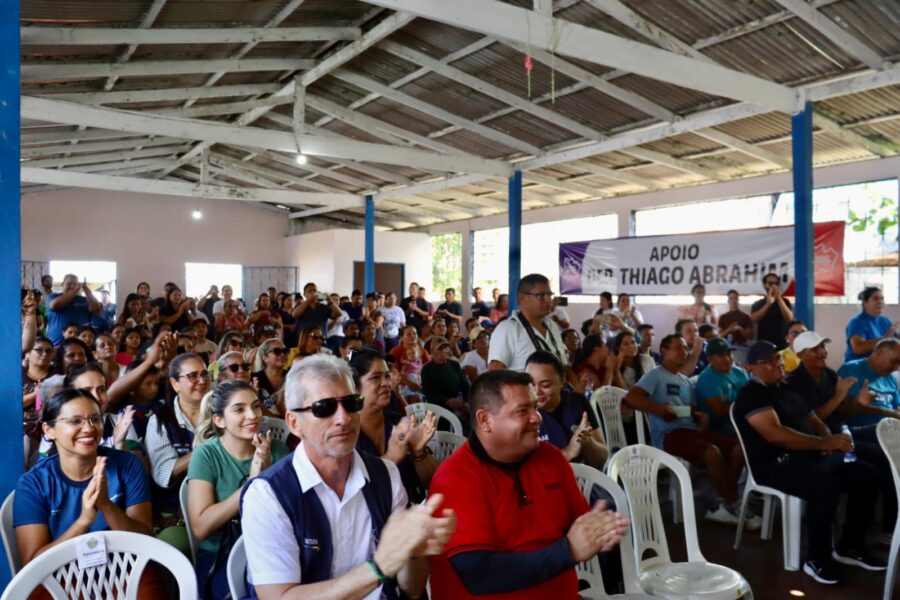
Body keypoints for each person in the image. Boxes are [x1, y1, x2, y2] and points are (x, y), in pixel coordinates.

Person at [239, 354, 456, 599]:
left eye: (352, 403)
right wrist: (378, 567)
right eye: (324, 408)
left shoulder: (386, 475)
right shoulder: (268, 495)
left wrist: (413, 549)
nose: (343, 419)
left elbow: (412, 588)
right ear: (294, 422)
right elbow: (279, 597)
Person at [428, 369, 628, 599]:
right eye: (522, 411)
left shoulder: (550, 458)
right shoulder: (456, 477)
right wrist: (568, 551)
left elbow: (579, 524)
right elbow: (479, 574)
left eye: (535, 407)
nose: (537, 418)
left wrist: (599, 530)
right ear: (485, 420)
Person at [733, 340, 885, 584]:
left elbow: (814, 420)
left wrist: (829, 441)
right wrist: (822, 444)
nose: (777, 363)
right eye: (769, 361)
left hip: (809, 455)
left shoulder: (787, 388)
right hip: (775, 465)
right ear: (752, 368)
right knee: (825, 486)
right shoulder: (751, 395)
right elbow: (776, 435)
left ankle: (849, 546)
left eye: (778, 358)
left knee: (867, 475)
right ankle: (817, 558)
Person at [624, 334, 755, 527]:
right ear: (664, 351)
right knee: (712, 452)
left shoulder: (684, 381)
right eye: (677, 347)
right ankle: (732, 502)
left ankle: (723, 500)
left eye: (685, 348)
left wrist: (700, 416)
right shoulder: (655, 374)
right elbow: (631, 398)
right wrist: (660, 410)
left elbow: (687, 410)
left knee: (737, 448)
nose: (683, 352)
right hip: (668, 435)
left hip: (690, 432)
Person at [14, 389, 152, 567]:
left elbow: (146, 541)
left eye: (95, 419)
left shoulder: (127, 465)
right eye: (75, 421)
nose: (88, 428)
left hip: (127, 569)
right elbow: (32, 565)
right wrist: (83, 521)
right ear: (49, 430)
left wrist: (106, 505)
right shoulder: (33, 484)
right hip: (63, 576)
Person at [786, 331, 897, 541]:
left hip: (842, 431)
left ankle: (889, 523)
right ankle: (870, 532)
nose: (822, 352)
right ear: (800, 355)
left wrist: (859, 403)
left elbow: (844, 411)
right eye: (815, 349)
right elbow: (812, 420)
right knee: (875, 462)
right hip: (821, 443)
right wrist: (839, 395)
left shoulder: (828, 374)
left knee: (888, 442)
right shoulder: (793, 383)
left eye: (823, 347)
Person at [187, 380, 289, 599]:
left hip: (271, 547)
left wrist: (266, 470)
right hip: (221, 552)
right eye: (239, 410)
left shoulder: (277, 450)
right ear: (219, 420)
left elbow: (291, 512)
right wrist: (252, 483)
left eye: (255, 406)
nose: (252, 415)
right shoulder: (206, 455)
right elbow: (200, 527)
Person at [350, 349, 438, 503]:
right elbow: (353, 497)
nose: (386, 383)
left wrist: (419, 451)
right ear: (355, 388)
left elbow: (432, 482)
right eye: (376, 377)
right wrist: (390, 458)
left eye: (387, 376)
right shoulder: (346, 434)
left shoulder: (399, 424)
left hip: (410, 512)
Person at [525, 351, 608, 469]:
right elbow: (531, 469)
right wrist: (567, 452)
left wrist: (587, 441)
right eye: (531, 385)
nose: (537, 392)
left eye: (546, 385)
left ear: (562, 380)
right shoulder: (523, 413)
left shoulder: (577, 402)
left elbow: (602, 460)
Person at [488, 274, 567, 372]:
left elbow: (564, 365)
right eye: (541, 296)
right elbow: (495, 373)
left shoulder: (552, 325)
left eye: (549, 295)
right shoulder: (507, 329)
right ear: (522, 298)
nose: (548, 300)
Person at [837, 338, 900, 430]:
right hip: (862, 430)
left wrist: (893, 413)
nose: (896, 368)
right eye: (893, 362)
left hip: (891, 430)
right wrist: (885, 412)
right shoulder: (851, 370)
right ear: (879, 353)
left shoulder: (890, 377)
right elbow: (840, 410)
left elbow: (897, 407)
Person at [693, 337, 749, 436]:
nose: (727, 359)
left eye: (729, 353)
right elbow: (719, 410)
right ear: (709, 359)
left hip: (741, 417)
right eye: (721, 355)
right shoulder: (707, 377)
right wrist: (745, 403)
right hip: (718, 424)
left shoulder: (739, 372)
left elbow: (751, 396)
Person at [46, 274, 102, 345]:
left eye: (75, 284)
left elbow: (96, 309)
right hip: (56, 344)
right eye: (69, 284)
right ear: (62, 284)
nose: (72, 286)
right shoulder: (53, 296)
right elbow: (54, 305)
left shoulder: (84, 300)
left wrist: (86, 290)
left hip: (80, 344)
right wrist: (74, 291)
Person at [845, 286, 897, 361]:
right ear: (865, 302)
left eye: (882, 298)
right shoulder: (857, 322)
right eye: (876, 298)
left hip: (881, 365)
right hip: (859, 366)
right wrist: (885, 339)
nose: (880, 302)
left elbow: (894, 340)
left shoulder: (885, 320)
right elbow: (858, 348)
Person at [421, 337, 470, 415]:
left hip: (459, 402)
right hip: (440, 407)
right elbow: (428, 395)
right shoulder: (427, 369)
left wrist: (465, 401)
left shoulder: (454, 364)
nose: (444, 351)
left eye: (446, 348)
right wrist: (446, 401)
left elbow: (465, 385)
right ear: (432, 351)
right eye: (440, 348)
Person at [751, 273, 794, 348]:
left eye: (776, 283)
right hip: (764, 344)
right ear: (764, 285)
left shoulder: (785, 301)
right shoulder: (758, 303)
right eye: (770, 283)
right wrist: (768, 304)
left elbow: (789, 319)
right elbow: (753, 320)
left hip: (782, 344)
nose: (773, 286)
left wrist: (779, 298)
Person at [390, 325, 429, 402]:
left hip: (419, 383)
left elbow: (429, 371)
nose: (413, 336)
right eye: (409, 334)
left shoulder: (423, 352)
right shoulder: (394, 352)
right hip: (401, 385)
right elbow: (393, 373)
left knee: (418, 399)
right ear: (401, 338)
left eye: (415, 333)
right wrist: (410, 384)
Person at [252, 338, 288, 416]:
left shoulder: (291, 376)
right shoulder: (254, 378)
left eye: (285, 351)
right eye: (277, 351)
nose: (282, 355)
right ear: (265, 357)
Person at [718, 289, 754, 363]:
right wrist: (729, 330)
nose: (733, 300)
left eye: (735, 298)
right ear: (728, 301)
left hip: (741, 347)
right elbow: (719, 336)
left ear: (738, 300)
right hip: (726, 348)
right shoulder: (723, 317)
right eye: (731, 298)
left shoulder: (746, 317)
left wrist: (740, 329)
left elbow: (750, 336)